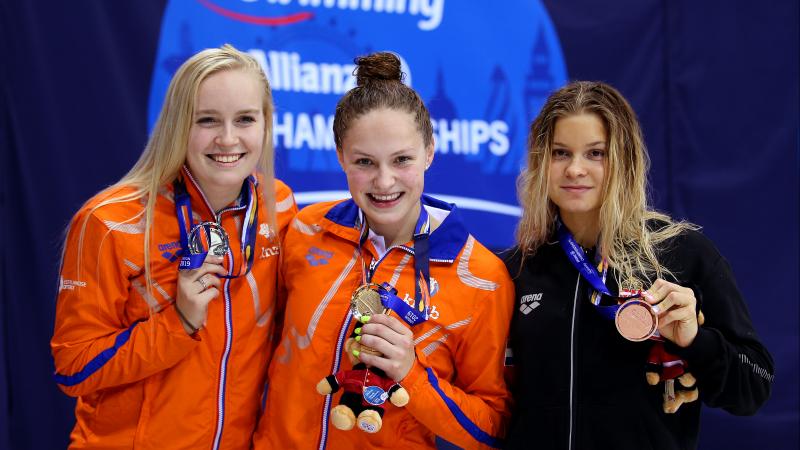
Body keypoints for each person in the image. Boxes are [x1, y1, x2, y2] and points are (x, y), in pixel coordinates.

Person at [252, 52, 514, 449]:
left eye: (402, 159)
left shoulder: (481, 276)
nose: (384, 180)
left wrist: (411, 373)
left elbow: (490, 428)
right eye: (364, 162)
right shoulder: (305, 231)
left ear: (429, 151)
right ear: (340, 156)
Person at [503, 81, 774, 449]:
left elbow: (755, 385)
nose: (575, 170)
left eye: (596, 153)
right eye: (560, 153)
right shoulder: (518, 269)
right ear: (539, 161)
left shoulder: (682, 254)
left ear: (624, 159)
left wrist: (695, 342)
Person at [51, 44, 297, 449]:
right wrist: (178, 322)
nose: (228, 138)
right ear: (177, 124)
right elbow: (73, 368)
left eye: (246, 119)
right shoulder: (110, 221)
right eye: (207, 120)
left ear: (266, 125)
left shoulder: (278, 205)